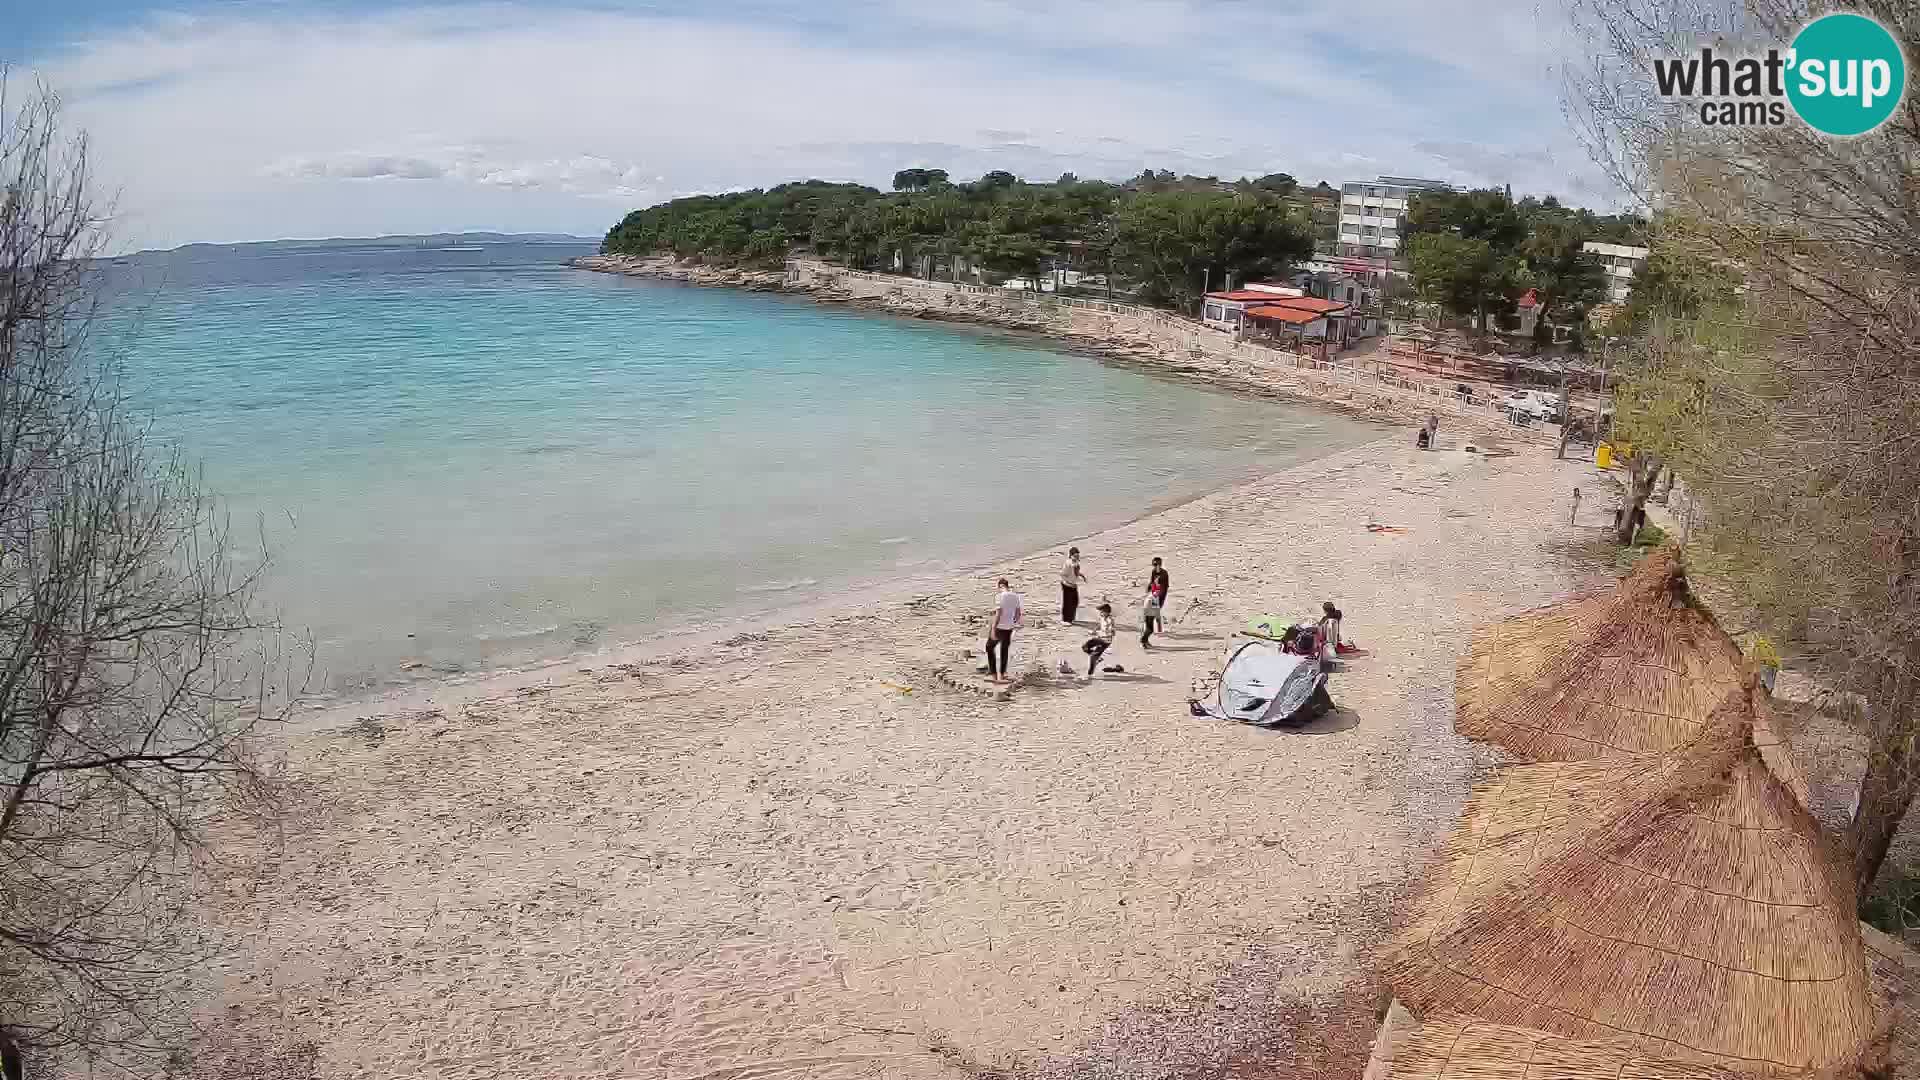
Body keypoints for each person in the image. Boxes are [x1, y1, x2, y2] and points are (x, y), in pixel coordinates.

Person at [986, 578, 1022, 684]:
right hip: (1009, 627)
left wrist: (993, 628)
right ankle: (1002, 674)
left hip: (1000, 627)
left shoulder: (999, 596)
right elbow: (1018, 613)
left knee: (989, 647)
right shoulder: (1015, 596)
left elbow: (999, 613)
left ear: (1001, 586)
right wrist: (1012, 622)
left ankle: (994, 676)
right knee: (1004, 650)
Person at [1140, 557, 1170, 647]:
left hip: (1159, 597)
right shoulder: (1154, 572)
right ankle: (1144, 640)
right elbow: (1152, 582)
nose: (1156, 567)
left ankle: (1145, 640)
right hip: (1153, 601)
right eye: (1154, 565)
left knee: (1151, 623)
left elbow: (1164, 588)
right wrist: (1150, 588)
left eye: (1158, 565)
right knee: (1150, 625)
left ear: (1161, 564)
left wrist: (1158, 595)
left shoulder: (1164, 574)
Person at [1082, 603, 1115, 679]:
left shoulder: (1110, 621)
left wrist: (1100, 633)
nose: (1100, 613)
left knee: (1093, 656)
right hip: (1099, 638)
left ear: (1106, 612)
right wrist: (1094, 630)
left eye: (1101, 611)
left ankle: (1090, 674)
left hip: (1105, 641)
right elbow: (1100, 625)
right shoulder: (1102, 617)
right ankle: (1098, 658)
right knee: (1085, 647)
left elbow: (1111, 632)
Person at [1060, 547, 1087, 624]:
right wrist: (1068, 583)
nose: (1077, 557)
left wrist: (1082, 576)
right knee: (1068, 602)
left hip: (1073, 584)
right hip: (1067, 585)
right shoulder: (1068, 563)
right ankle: (1065, 620)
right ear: (1071, 555)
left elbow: (1076, 572)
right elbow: (1063, 574)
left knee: (1075, 602)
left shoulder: (1076, 562)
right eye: (1075, 556)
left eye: (1078, 556)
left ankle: (1071, 618)